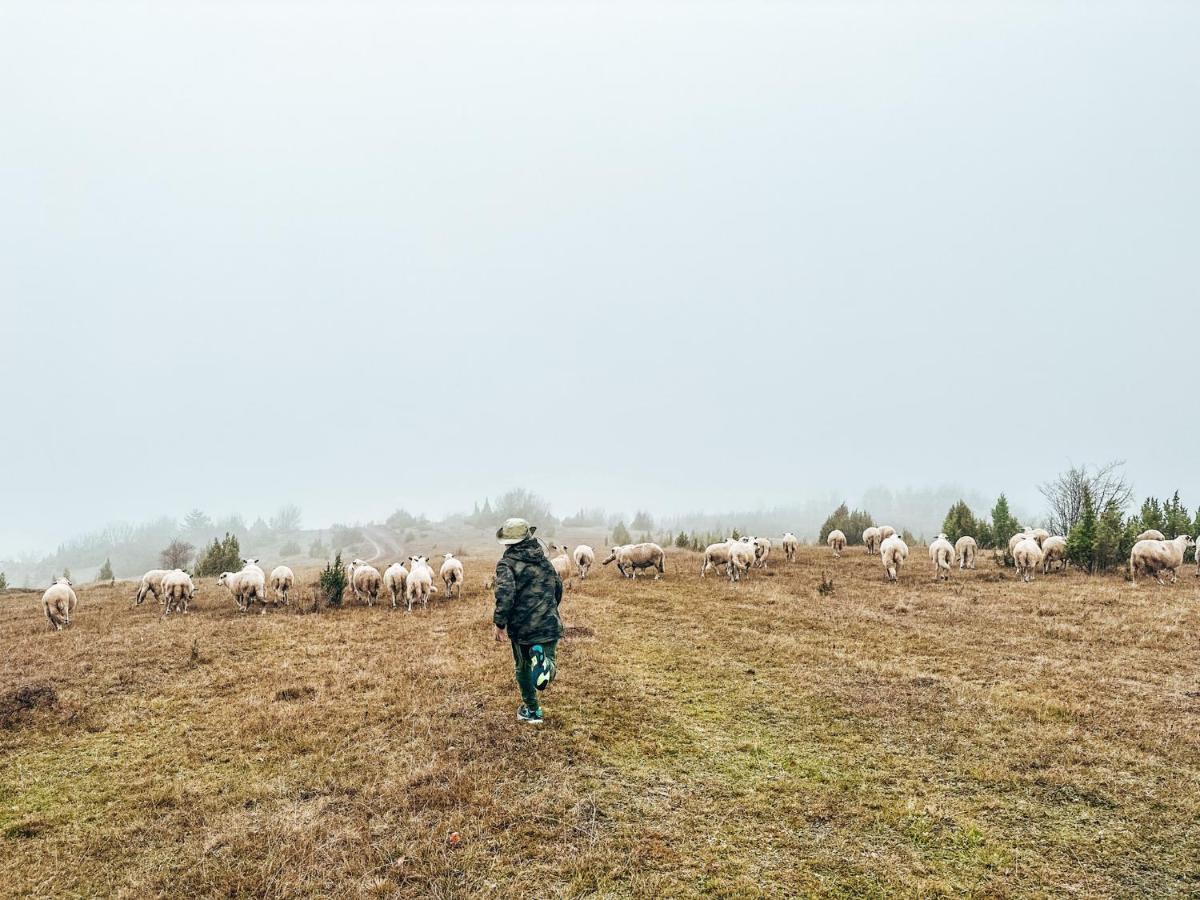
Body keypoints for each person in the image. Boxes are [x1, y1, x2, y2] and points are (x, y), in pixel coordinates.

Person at [492, 518, 563, 725]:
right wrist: (549, 609)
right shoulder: (545, 561)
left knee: (522, 667)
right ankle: (545, 664)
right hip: (548, 624)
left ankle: (532, 711)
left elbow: (505, 595)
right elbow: (557, 588)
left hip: (523, 628)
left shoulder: (507, 564)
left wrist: (499, 623)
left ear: (509, 543)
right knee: (548, 662)